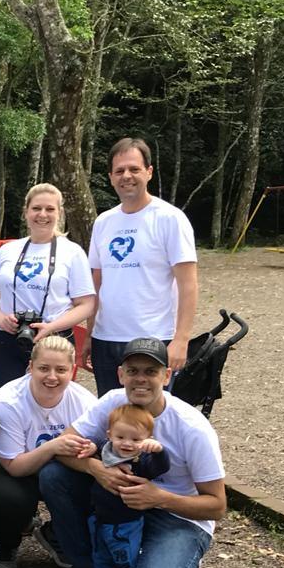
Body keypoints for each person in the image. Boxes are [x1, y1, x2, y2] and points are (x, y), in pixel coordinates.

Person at [38, 337, 226, 568]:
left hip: (176, 514)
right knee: (55, 475)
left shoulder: (192, 428)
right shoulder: (113, 401)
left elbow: (217, 506)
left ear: (166, 376)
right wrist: (96, 468)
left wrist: (158, 498)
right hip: (119, 502)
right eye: (133, 371)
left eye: (151, 372)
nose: (141, 379)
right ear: (120, 374)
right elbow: (62, 446)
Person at [0, 335, 98, 568]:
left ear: (72, 371)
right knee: (9, 497)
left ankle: (55, 534)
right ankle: (7, 545)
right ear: (30, 368)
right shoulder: (8, 401)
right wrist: (53, 446)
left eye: (61, 369)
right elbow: (14, 466)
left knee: (93, 482)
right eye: (43, 368)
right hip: (3, 465)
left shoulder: (84, 401)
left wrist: (91, 449)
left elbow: (100, 443)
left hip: (56, 465)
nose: (52, 377)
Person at [87, 137, 199, 393]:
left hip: (153, 338)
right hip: (106, 339)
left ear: (149, 172)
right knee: (112, 422)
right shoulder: (103, 222)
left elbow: (188, 284)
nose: (126, 176)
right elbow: (97, 282)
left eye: (134, 169)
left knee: (148, 424)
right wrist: (90, 335)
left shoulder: (170, 218)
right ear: (111, 177)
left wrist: (181, 340)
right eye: (119, 171)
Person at [0, 183, 95, 393]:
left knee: (51, 406)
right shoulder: (8, 250)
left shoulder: (72, 252)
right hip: (9, 338)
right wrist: (1, 320)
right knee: (5, 404)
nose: (42, 214)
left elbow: (86, 304)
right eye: (36, 208)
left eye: (50, 209)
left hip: (54, 341)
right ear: (26, 212)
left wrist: (52, 326)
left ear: (59, 213)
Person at [89, 404, 170, 568]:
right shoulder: (104, 451)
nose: (127, 443)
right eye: (121, 437)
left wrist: (159, 451)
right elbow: (92, 449)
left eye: (135, 440)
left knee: (126, 561)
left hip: (125, 523)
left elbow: (160, 468)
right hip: (99, 519)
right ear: (110, 435)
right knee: (101, 556)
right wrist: (88, 449)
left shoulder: (140, 462)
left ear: (146, 439)